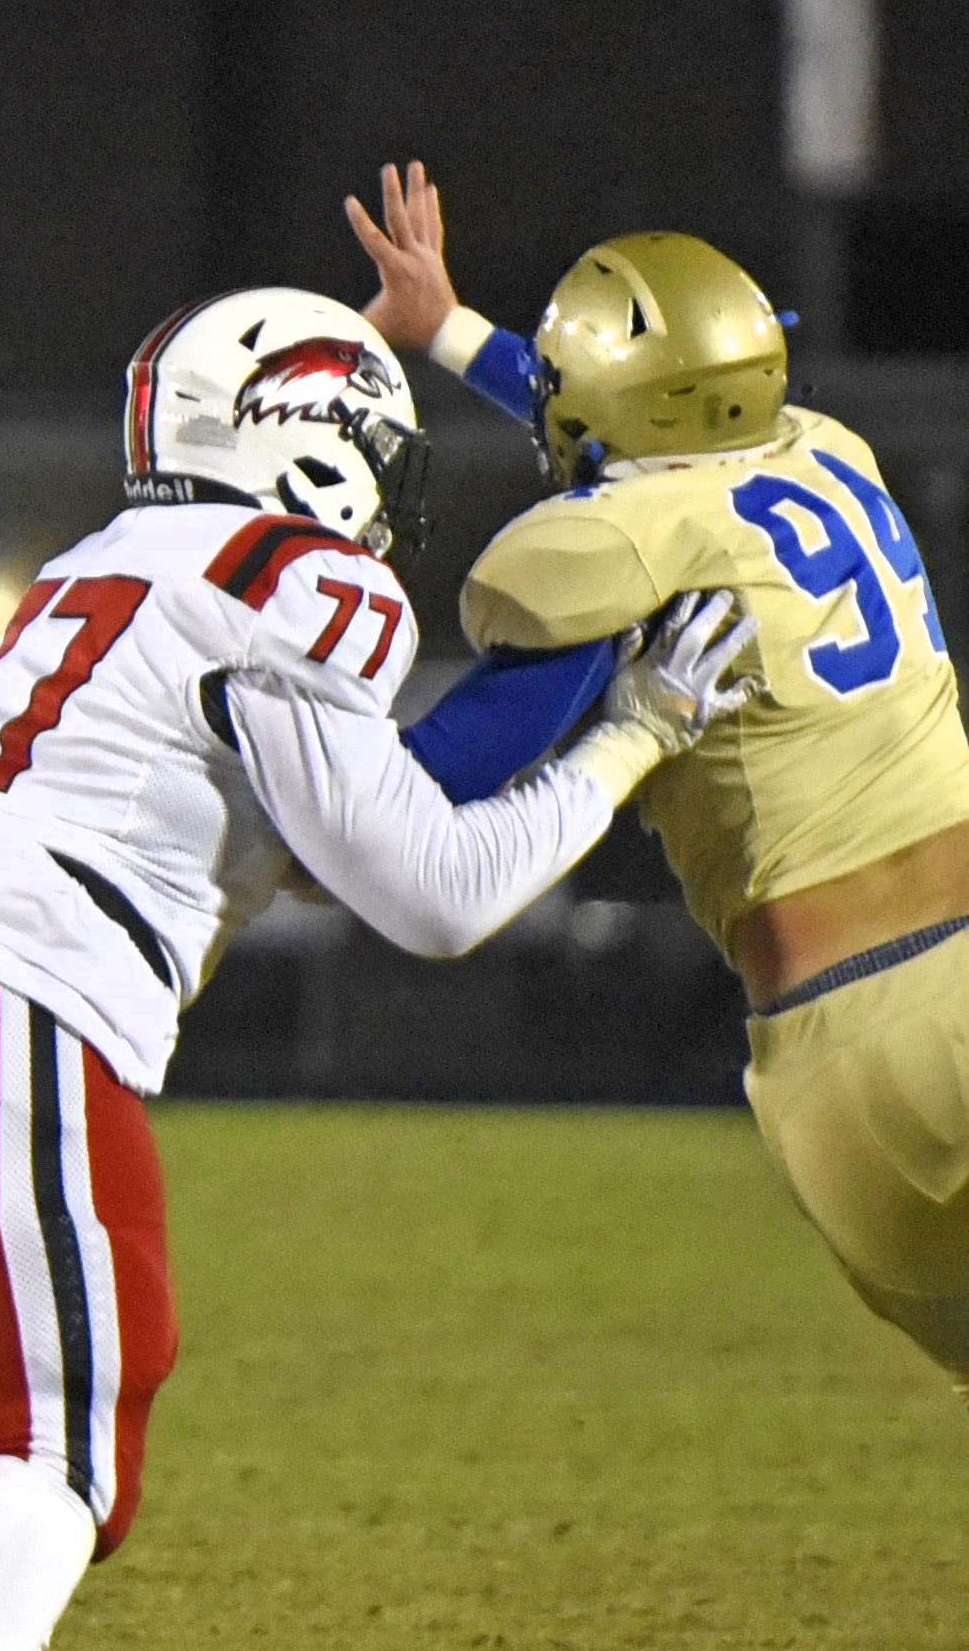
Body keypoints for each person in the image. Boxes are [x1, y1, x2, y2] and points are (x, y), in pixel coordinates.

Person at [0, 284, 753, 1651]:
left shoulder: (117, 558)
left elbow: (331, 840)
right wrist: (637, 730)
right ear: (310, 438)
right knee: (60, 1434)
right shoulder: (296, 573)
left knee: (58, 1402)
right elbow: (434, 895)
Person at [348, 168, 969, 1392]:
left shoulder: (628, 549)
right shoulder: (828, 453)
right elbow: (637, 422)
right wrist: (450, 329)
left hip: (864, 1033)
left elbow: (428, 787)